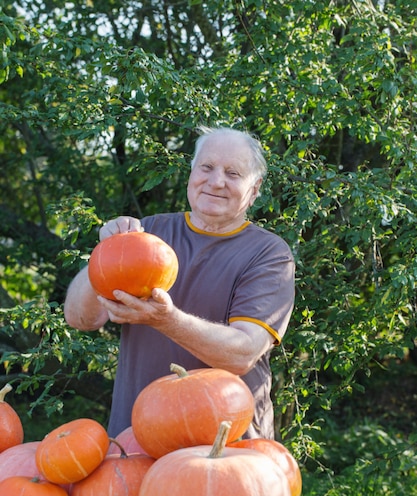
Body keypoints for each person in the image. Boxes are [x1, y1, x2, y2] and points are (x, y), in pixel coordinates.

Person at [64, 127, 295, 440]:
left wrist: (167, 320)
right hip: (138, 438)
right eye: (207, 167)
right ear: (191, 173)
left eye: (233, 173)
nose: (216, 181)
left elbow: (243, 353)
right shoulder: (149, 233)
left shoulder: (269, 254)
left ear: (254, 190)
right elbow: (81, 318)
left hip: (225, 446)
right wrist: (106, 252)